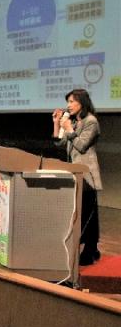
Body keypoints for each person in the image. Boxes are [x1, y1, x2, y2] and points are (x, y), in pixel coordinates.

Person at [52, 88, 102, 265]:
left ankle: (90, 249)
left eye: (72, 101)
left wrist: (68, 129)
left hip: (87, 174)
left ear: (82, 102)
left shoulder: (91, 121)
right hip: (73, 172)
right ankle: (92, 249)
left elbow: (81, 146)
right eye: (68, 102)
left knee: (89, 213)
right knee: (79, 212)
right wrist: (57, 124)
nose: (69, 105)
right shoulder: (73, 122)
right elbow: (59, 142)